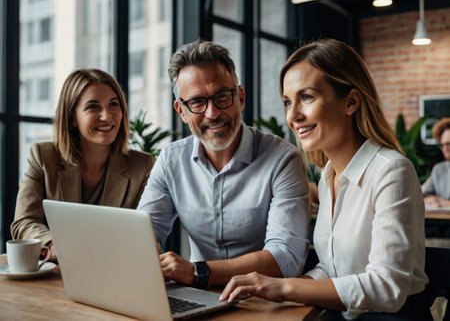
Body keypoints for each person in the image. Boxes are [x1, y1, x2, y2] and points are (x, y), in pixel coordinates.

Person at [220, 39, 431, 320]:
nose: (293, 116)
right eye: (287, 102)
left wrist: (284, 288)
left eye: (306, 97)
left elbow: (387, 287)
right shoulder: (329, 174)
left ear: (351, 102)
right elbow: (334, 268)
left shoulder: (391, 171)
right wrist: (265, 292)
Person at [137, 39, 310, 288]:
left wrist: (200, 272)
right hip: (196, 298)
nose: (212, 113)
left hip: (263, 301)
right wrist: (145, 247)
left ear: (240, 97)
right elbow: (144, 231)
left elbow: (286, 257)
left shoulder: (283, 159)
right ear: (181, 111)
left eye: (222, 97)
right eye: (197, 102)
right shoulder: (171, 159)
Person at [11, 68, 154, 262]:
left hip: (113, 269)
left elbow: (145, 233)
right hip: (57, 273)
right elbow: (24, 222)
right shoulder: (44, 157)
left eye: (114, 104)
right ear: (72, 118)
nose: (107, 116)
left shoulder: (142, 165)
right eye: (93, 107)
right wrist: (54, 246)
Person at [422, 117, 450, 207]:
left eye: (449, 144)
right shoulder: (439, 169)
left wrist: (444, 203)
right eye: (442, 145)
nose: (445, 148)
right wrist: (432, 200)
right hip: (440, 220)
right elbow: (420, 195)